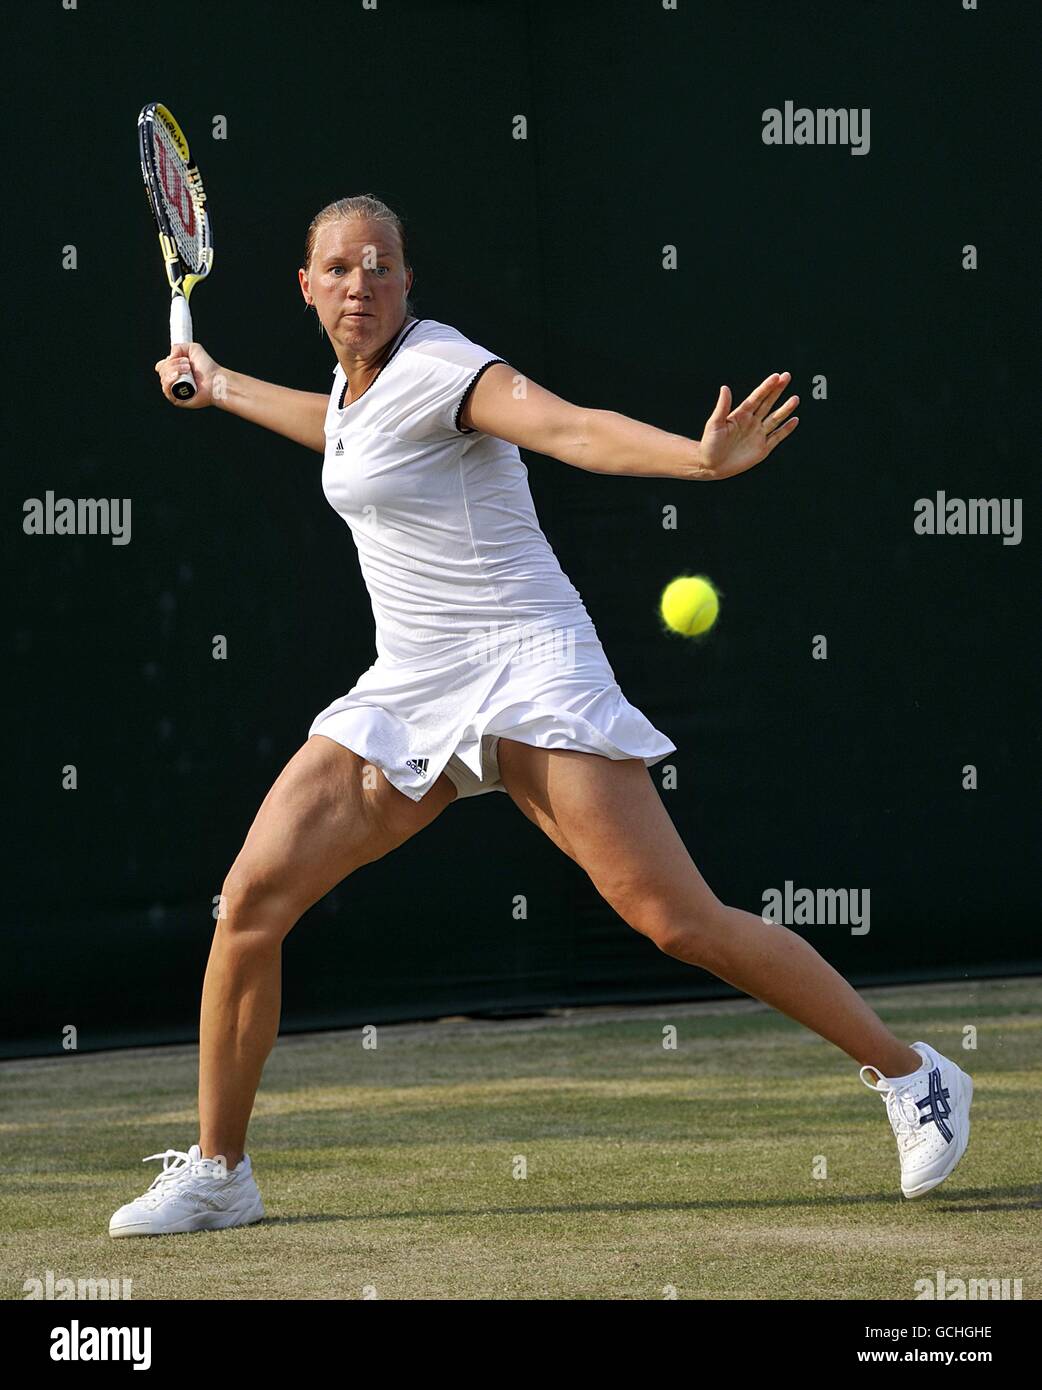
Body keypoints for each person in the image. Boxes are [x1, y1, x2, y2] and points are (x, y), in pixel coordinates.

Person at [108, 195, 972, 1237]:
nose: (360, 284)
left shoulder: (442, 367)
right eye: (338, 268)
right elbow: (338, 434)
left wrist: (697, 461)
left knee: (677, 922)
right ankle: (219, 1168)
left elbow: (565, 427)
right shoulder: (351, 391)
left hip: (527, 667)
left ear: (406, 282)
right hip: (411, 685)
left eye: (381, 267)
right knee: (249, 900)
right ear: (306, 285)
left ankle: (915, 1075)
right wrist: (223, 384)